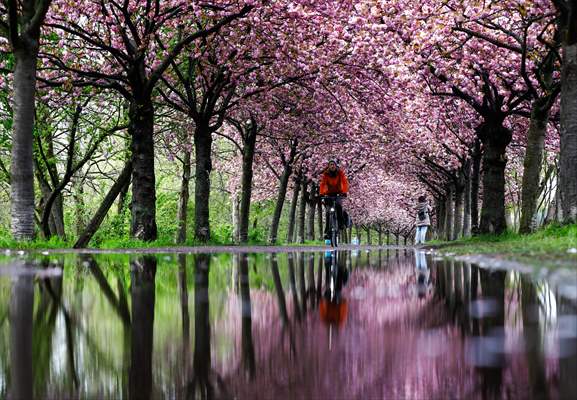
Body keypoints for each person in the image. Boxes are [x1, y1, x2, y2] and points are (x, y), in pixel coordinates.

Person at [319, 160, 349, 242]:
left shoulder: (340, 173)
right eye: (330, 165)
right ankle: (327, 232)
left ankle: (340, 224)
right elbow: (322, 184)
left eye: (333, 164)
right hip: (328, 194)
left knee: (339, 206)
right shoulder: (326, 174)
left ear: (336, 166)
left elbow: (344, 182)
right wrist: (321, 193)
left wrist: (344, 192)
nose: (332, 166)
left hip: (338, 193)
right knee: (328, 212)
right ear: (328, 166)